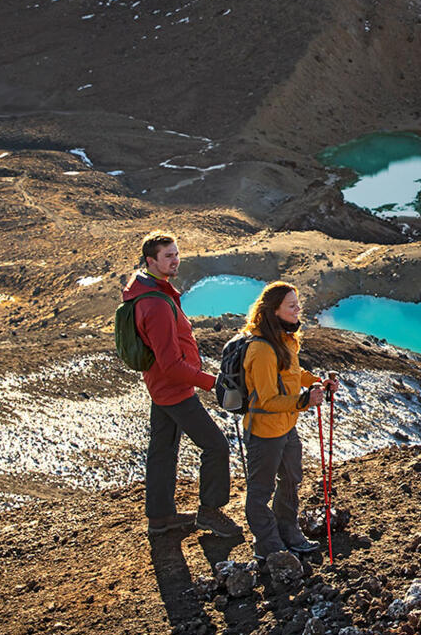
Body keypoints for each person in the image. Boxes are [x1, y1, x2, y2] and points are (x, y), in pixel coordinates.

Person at [126, 231, 240, 538]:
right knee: (216, 447)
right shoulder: (156, 305)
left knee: (162, 450)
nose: (175, 260)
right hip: (173, 390)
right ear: (151, 261)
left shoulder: (150, 290)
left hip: (161, 387)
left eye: (176, 254)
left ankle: (160, 518)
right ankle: (210, 512)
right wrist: (213, 383)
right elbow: (171, 364)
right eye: (168, 256)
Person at [239, 281, 334, 559]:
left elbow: (293, 373)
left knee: (291, 478)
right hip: (265, 430)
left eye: (297, 304)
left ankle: (288, 531)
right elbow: (267, 400)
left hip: (286, 426)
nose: (298, 310)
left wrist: (318, 381)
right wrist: (304, 401)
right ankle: (268, 544)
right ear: (274, 311)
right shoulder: (262, 350)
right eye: (292, 306)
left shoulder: (284, 339)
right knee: (261, 489)